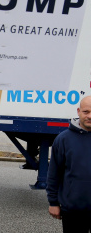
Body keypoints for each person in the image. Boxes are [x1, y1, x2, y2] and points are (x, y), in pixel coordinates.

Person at [46, 95, 91, 233]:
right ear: (78, 111)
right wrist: (53, 202)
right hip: (73, 210)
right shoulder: (64, 139)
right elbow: (54, 173)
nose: (90, 116)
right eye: (86, 112)